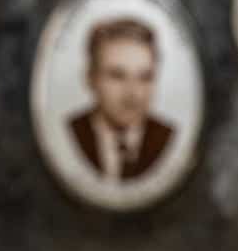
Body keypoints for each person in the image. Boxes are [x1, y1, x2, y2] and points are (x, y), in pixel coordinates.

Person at [67, 18, 174, 183]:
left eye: (145, 77)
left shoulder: (168, 138)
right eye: (117, 76)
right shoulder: (70, 135)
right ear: (90, 78)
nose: (132, 94)